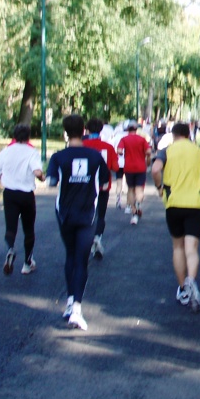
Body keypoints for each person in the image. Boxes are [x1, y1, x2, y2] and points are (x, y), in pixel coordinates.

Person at [46, 114, 109, 331]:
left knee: (70, 255)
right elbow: (104, 183)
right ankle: (77, 310)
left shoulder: (58, 157)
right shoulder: (94, 156)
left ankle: (70, 301)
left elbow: (51, 183)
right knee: (82, 259)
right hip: (87, 213)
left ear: (65, 132)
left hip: (64, 212)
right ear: (84, 131)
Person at [150, 122, 200, 313]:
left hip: (173, 203)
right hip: (196, 205)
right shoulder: (199, 152)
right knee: (192, 249)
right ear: (189, 134)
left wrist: (159, 187)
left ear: (173, 135)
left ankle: (182, 289)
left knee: (177, 247)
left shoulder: (166, 151)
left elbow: (156, 169)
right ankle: (192, 280)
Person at [0, 124, 44, 276]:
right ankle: (27, 263)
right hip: (26, 194)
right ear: (28, 137)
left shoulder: (6, 151)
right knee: (28, 229)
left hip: (10, 194)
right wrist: (42, 176)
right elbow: (37, 171)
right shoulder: (32, 152)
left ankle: (10, 248)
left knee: (11, 227)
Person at [82, 118, 120, 259]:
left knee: (86, 213)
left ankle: (85, 240)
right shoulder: (108, 147)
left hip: (84, 185)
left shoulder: (82, 145)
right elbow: (115, 167)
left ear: (87, 130)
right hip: (103, 185)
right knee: (101, 215)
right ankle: (98, 237)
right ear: (101, 130)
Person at [117, 120, 151, 225]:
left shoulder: (124, 139)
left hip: (129, 167)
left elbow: (119, 151)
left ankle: (133, 211)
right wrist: (147, 161)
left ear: (127, 130)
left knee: (131, 189)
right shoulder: (142, 139)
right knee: (139, 189)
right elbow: (149, 152)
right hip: (140, 167)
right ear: (136, 130)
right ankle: (138, 204)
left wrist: (123, 154)